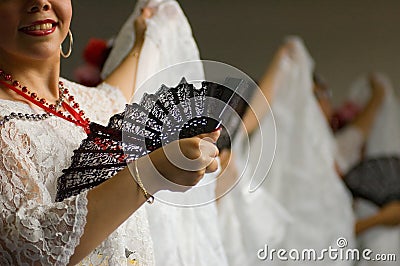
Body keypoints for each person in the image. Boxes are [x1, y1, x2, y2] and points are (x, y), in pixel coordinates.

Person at [0, 1, 220, 265]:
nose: (40, 2)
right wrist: (153, 171)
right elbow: (33, 250)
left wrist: (145, 37)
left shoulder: (89, 103)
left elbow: (119, 91)